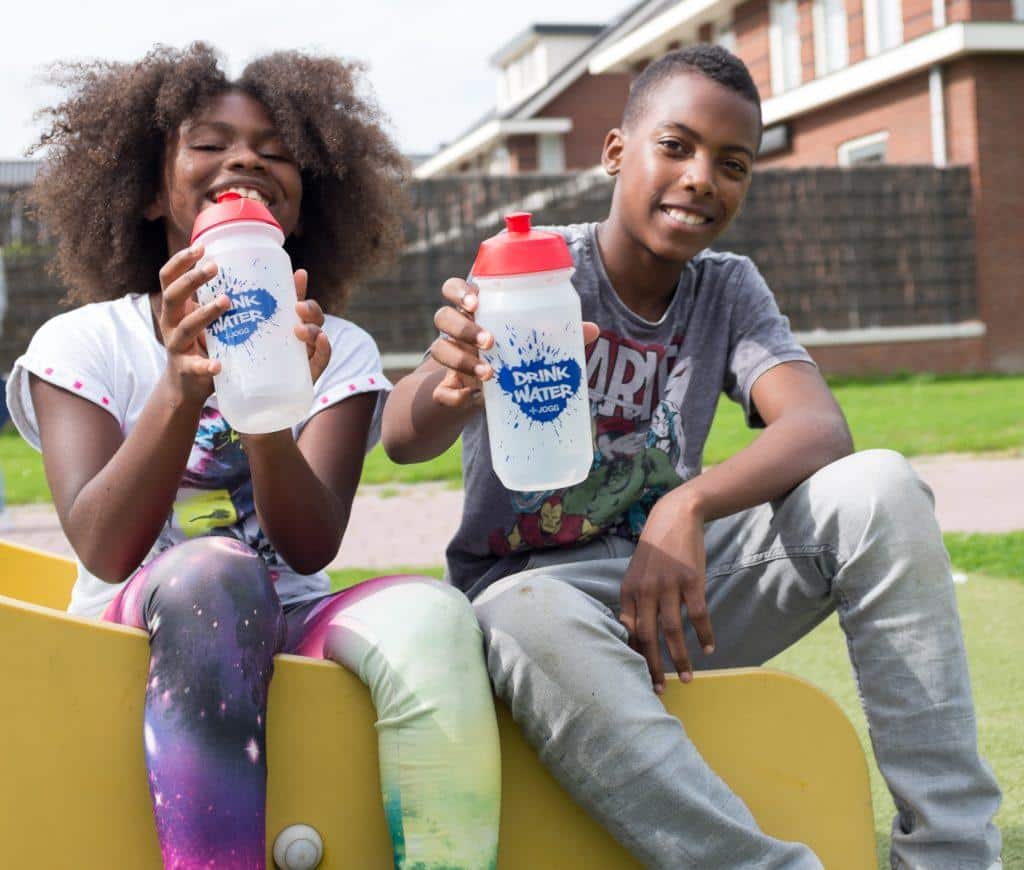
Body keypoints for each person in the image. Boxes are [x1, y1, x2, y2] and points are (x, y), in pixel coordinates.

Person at [382, 45, 1002, 869]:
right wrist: (449, 379)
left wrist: (687, 505)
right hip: (540, 605)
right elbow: (400, 435)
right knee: (519, 612)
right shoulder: (534, 269)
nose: (702, 176)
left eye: (732, 163)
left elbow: (819, 427)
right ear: (615, 153)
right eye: (676, 146)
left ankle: (953, 854)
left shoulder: (728, 288)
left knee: (880, 487)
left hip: (676, 594)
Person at [6, 43, 499, 870]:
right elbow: (101, 544)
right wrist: (182, 385)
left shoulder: (337, 348)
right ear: (151, 188)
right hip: (136, 627)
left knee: (436, 614)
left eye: (276, 153)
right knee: (216, 570)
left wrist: (267, 406)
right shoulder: (85, 339)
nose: (244, 158)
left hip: (294, 615)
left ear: (303, 208)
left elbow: (311, 547)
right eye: (209, 143)